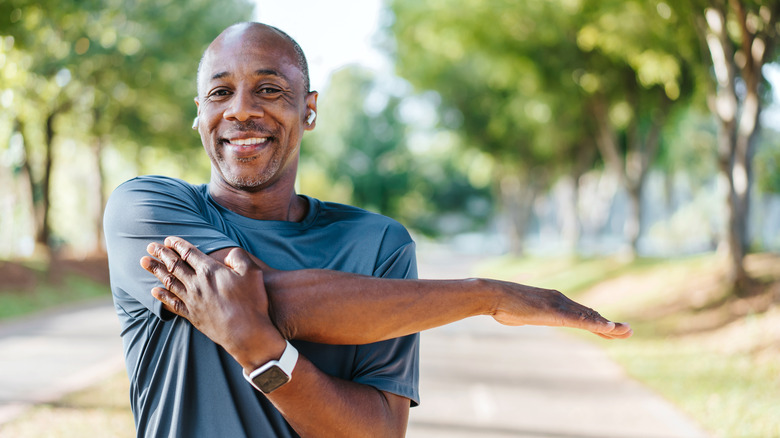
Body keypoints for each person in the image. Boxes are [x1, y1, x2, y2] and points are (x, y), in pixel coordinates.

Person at [104, 22, 631, 438]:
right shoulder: (144, 208)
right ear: (199, 114)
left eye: (269, 88)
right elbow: (254, 300)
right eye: (220, 93)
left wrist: (263, 350)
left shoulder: (378, 245)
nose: (242, 110)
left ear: (307, 110)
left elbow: (375, 433)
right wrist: (485, 296)